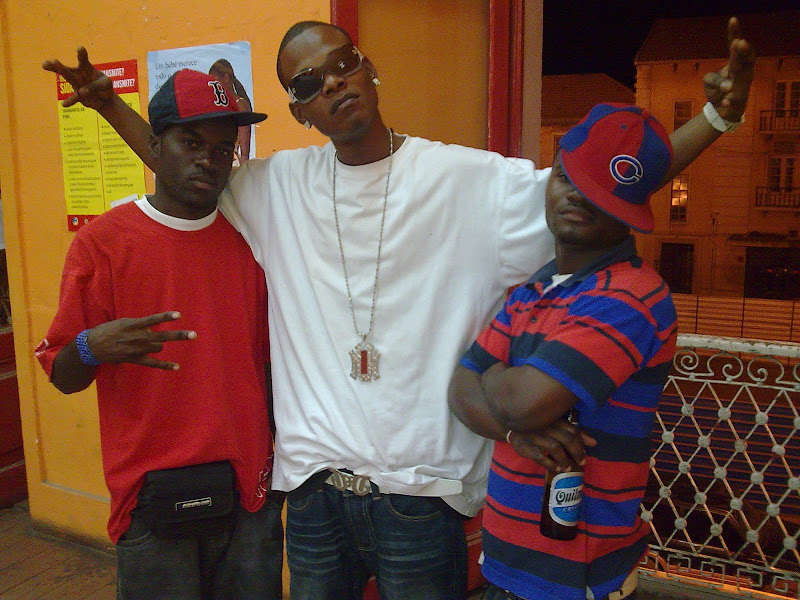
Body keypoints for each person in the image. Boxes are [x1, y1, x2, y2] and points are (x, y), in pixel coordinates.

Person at [42, 17, 753, 600]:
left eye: (341, 63)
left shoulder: (468, 182)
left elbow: (602, 182)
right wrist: (109, 105)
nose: (333, 84)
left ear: (367, 68)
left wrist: (714, 119)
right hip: (313, 495)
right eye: (308, 84)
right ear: (300, 111)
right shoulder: (274, 187)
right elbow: (186, 166)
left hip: (420, 499)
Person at [34, 69, 283, 600]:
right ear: (154, 146)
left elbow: (267, 366)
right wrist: (91, 347)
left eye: (222, 149)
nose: (208, 160)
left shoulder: (251, 239)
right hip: (152, 501)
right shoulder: (103, 244)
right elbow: (62, 373)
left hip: (249, 494)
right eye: (191, 142)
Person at [449, 103, 683, 600]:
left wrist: (495, 378)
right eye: (566, 176)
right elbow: (459, 392)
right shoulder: (532, 288)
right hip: (502, 567)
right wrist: (514, 432)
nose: (576, 194)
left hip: (577, 581)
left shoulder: (631, 296)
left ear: (629, 207)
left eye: (598, 187)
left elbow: (524, 401)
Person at [209, 59, 254, 163]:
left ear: (226, 78)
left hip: (232, 162)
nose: (214, 87)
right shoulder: (217, 105)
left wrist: (243, 169)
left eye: (216, 82)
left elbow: (244, 151)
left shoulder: (241, 105)